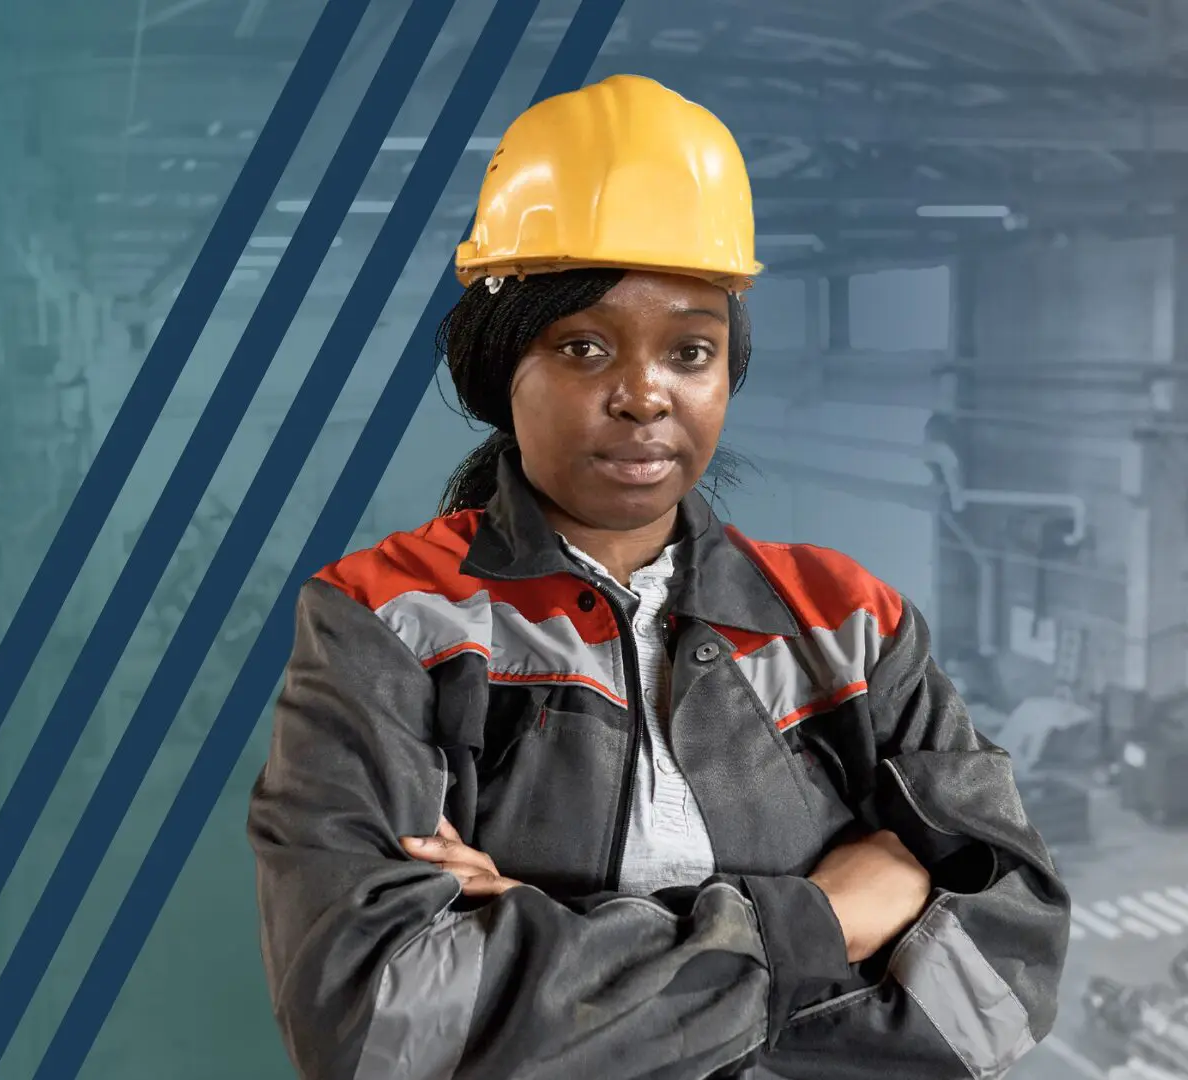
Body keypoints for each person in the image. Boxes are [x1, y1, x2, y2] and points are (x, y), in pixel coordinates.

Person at [246, 75, 1069, 1080]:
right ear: (504, 367)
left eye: (691, 349)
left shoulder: (853, 623)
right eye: (584, 346)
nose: (644, 395)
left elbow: (1004, 959)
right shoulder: (385, 621)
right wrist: (821, 923)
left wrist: (551, 953)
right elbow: (375, 1019)